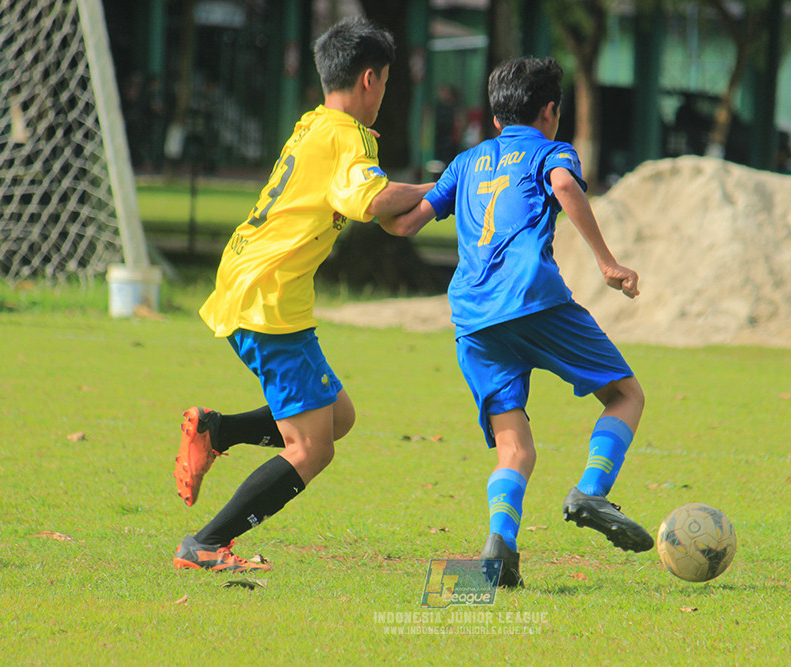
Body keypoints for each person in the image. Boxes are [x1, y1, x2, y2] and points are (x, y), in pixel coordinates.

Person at [172, 16, 433, 573]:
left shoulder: (315, 124)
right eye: (385, 82)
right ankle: (206, 544)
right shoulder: (348, 137)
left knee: (338, 416)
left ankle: (219, 429)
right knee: (313, 448)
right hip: (271, 299)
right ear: (370, 79)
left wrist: (406, 202)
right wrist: (447, 186)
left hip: (248, 281)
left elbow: (371, 204)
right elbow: (374, 200)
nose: (384, 94)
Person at [381, 57, 653, 587]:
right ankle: (591, 493)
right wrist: (606, 261)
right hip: (532, 299)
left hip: (472, 318)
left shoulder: (465, 162)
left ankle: (497, 554)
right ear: (550, 111)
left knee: (515, 447)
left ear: (497, 119)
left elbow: (405, 223)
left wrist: (359, 200)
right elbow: (566, 187)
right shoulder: (554, 150)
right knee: (626, 395)